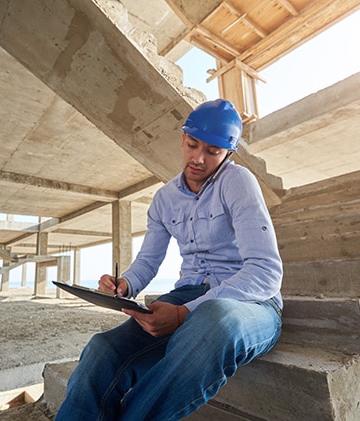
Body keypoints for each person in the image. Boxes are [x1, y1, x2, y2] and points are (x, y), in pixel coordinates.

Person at [54, 99, 283, 421]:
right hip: (186, 296)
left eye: (213, 152)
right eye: (192, 145)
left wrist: (185, 313)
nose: (198, 158)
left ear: (228, 153)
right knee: (102, 350)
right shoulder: (164, 199)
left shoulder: (238, 182)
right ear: (182, 138)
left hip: (250, 303)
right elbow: (148, 261)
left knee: (213, 319)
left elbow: (265, 272)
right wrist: (126, 284)